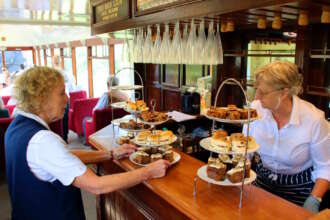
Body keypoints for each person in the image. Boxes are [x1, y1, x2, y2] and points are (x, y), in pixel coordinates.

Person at [5, 66, 170, 220]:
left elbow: (63, 156)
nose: (68, 98)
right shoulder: (43, 141)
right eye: (62, 93)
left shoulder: (16, 127)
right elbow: (97, 185)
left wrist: (110, 154)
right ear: (41, 98)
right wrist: (148, 172)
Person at [244, 61, 329, 213]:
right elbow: (245, 149)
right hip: (262, 182)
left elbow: (325, 167)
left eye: (263, 92)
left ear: (284, 92)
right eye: (256, 90)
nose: (256, 97)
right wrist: (240, 175)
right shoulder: (256, 109)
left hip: (297, 190)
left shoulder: (314, 120)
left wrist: (314, 199)